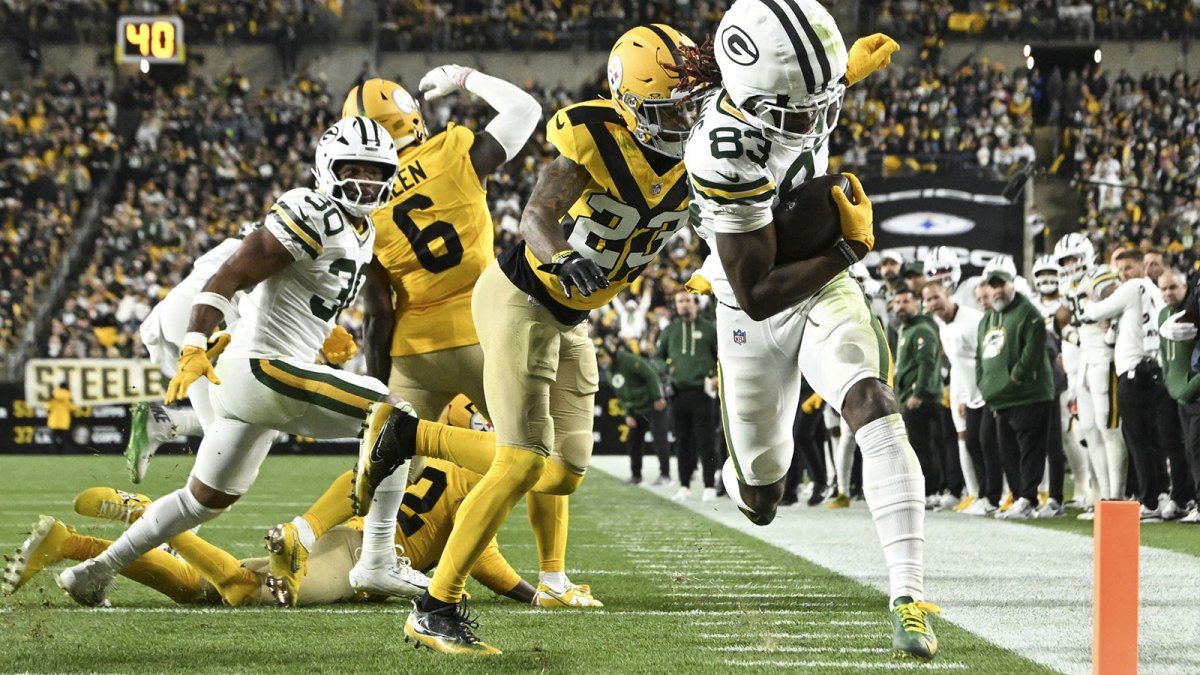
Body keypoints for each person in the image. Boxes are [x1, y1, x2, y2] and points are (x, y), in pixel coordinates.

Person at [371, 24, 698, 655]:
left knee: (564, 474)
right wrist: (559, 256)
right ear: (629, 103)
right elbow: (538, 215)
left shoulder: (707, 147)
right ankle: (435, 607)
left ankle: (413, 436)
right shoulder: (597, 137)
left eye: (690, 105)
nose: (684, 121)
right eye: (667, 109)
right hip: (523, 296)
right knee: (519, 460)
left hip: (569, 318)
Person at [53, 117, 431, 608]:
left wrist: (330, 330)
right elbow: (229, 276)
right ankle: (378, 557)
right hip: (260, 370)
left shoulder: (364, 231)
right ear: (326, 167)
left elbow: (303, 294)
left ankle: (94, 571)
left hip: (271, 382)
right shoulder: (310, 209)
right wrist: (194, 342)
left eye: (374, 170)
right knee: (393, 414)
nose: (363, 181)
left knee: (202, 500)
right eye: (351, 168)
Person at [676, 1, 940, 660]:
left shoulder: (799, 87)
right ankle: (745, 470)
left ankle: (907, 594)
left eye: (824, 102)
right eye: (799, 112)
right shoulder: (721, 150)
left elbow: (811, 86)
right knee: (765, 497)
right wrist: (848, 251)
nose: (816, 120)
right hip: (753, 302)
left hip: (820, 283)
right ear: (752, 100)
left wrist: (844, 72)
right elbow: (757, 292)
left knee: (872, 400)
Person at [283, 70, 556, 608]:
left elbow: (379, 309)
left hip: (412, 345)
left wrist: (380, 380)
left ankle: (315, 534)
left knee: (381, 456)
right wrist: (466, 77)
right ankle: (555, 578)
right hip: (483, 329)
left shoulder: (363, 200)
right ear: (412, 117)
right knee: (535, 452)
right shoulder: (453, 151)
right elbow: (525, 109)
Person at [5, 457, 535, 606]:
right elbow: (481, 557)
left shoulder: (436, 453)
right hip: (358, 560)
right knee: (248, 594)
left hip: (349, 535)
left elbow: (364, 480)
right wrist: (531, 594)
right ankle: (145, 511)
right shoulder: (488, 477)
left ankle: (72, 546)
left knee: (202, 588)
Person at [1082, 249, 1178, 520]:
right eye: (1120, 269)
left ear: (1140, 268)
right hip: (1158, 372)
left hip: (1135, 375)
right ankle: (1162, 493)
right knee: (1160, 440)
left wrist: (1087, 300)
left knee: (1138, 440)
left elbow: (1094, 312)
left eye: (1128, 268)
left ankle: (1148, 501)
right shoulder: (1156, 292)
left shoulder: (1132, 288)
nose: (1123, 274)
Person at [976, 256, 1057, 520]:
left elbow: (1033, 351)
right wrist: (987, 387)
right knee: (1007, 451)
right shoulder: (987, 319)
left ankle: (1028, 499)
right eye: (993, 285)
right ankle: (1019, 497)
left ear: (1013, 285)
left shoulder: (1028, 312)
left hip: (1029, 394)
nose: (998, 289)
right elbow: (980, 359)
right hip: (1001, 399)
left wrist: (1015, 378)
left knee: (1030, 450)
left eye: (1003, 284)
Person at [1054, 233, 1127, 511]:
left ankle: (1116, 498)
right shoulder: (1067, 286)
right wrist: (1075, 337)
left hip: (1104, 357)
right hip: (1085, 359)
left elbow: (1116, 309)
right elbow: (1060, 322)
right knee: (1090, 429)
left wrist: (1108, 332)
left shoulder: (1101, 276)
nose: (1070, 264)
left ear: (1086, 256)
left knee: (1109, 428)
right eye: (1065, 260)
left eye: (1073, 257)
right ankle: (1104, 496)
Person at [922, 281, 997, 516]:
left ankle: (997, 496)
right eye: (929, 300)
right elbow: (958, 364)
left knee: (988, 443)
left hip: (988, 392)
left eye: (936, 297)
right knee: (973, 442)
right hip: (970, 394)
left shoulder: (973, 320)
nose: (934, 304)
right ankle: (983, 495)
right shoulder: (942, 324)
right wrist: (963, 395)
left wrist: (990, 391)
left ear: (947, 294)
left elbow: (988, 358)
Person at [655, 289, 719, 499]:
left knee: (706, 440)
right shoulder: (670, 330)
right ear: (676, 305)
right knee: (682, 441)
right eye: (680, 301)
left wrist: (717, 376)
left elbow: (722, 356)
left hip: (703, 392)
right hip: (678, 392)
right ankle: (684, 485)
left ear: (696, 303)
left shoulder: (709, 329)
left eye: (688, 300)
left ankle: (709, 485)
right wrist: (667, 370)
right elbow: (657, 358)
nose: (684, 304)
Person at [892, 288, 945, 506]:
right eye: (896, 302)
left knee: (923, 447)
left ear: (917, 304)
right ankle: (927, 490)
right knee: (917, 446)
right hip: (909, 397)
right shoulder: (907, 329)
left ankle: (932, 492)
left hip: (921, 399)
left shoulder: (922, 328)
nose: (900, 306)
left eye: (906, 301)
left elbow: (927, 364)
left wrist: (918, 393)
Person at [596, 336, 668, 489]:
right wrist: (627, 414)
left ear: (611, 353)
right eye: (598, 358)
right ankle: (636, 476)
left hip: (652, 405)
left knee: (659, 440)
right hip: (635, 409)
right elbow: (620, 395)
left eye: (603, 356)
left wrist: (658, 397)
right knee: (633, 442)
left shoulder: (628, 360)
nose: (601, 360)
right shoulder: (610, 372)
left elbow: (650, 374)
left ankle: (665, 474)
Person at [1157, 269, 1200, 522]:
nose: (1168, 293)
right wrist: (1168, 380)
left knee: (1196, 448)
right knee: (1180, 447)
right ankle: (1183, 497)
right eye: (1163, 288)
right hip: (1178, 391)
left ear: (1186, 287)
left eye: (1173, 287)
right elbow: (1165, 355)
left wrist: (1191, 385)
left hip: (1193, 390)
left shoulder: (1191, 314)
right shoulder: (1164, 314)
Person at [46, 386, 76, 454]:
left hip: (53, 422)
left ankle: (54, 454)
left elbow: (47, 407)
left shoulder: (53, 396)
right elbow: (73, 408)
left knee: (53, 440)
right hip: (64, 423)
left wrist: (50, 399)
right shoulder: (68, 396)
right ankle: (63, 454)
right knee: (64, 441)